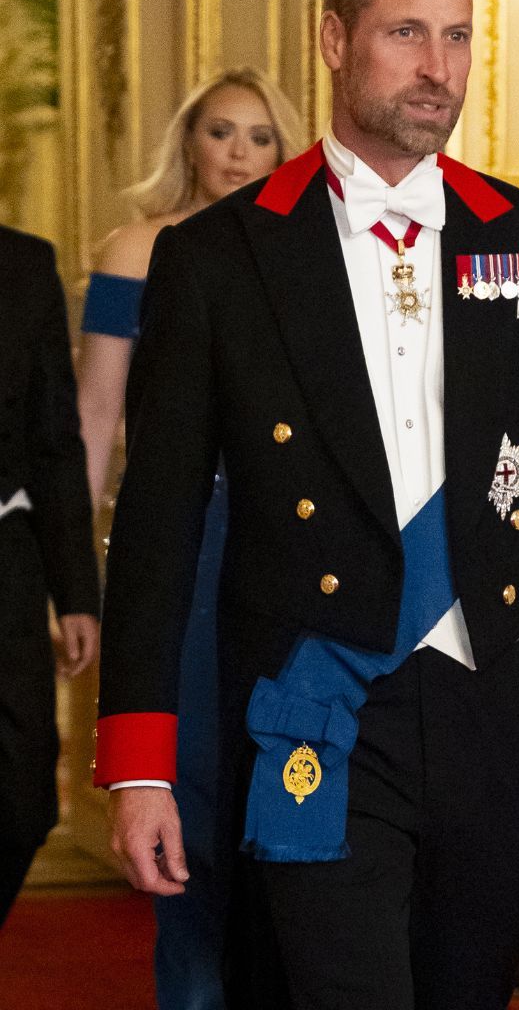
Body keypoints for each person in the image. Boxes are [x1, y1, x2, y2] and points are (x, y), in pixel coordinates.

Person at [95, 0, 519, 1010]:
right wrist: (140, 764)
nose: (437, 66)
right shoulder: (220, 257)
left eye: (456, 36)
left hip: (494, 712)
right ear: (336, 40)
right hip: (314, 706)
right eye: (405, 32)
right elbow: (156, 526)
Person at [76, 68, 301, 1007]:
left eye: (259, 137)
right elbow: (93, 417)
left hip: (292, 546)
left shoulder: (306, 255)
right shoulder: (137, 250)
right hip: (185, 542)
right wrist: (72, 580)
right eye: (221, 132)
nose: (239, 153)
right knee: (194, 789)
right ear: (190, 142)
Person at [0, 225, 100, 926]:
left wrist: (76, 593)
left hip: (6, 556)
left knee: (24, 791)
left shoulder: (25, 264)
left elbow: (55, 441)